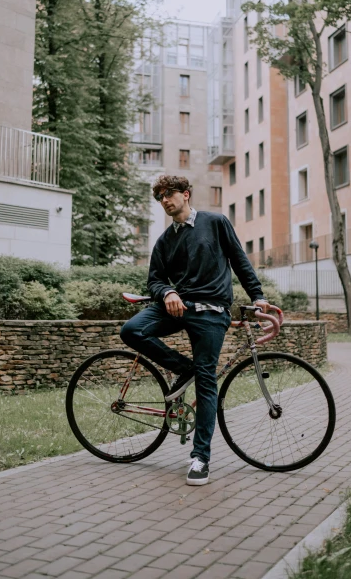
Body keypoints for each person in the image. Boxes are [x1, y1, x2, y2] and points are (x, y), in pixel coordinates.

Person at [120, 175, 269, 486]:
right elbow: (155, 281)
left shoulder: (215, 222)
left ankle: (200, 458)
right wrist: (168, 293)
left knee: (206, 382)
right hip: (178, 307)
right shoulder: (164, 241)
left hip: (211, 312)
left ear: (185, 194)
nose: (164, 200)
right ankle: (184, 369)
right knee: (132, 330)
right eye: (159, 196)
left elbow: (240, 261)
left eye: (169, 194)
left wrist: (257, 295)